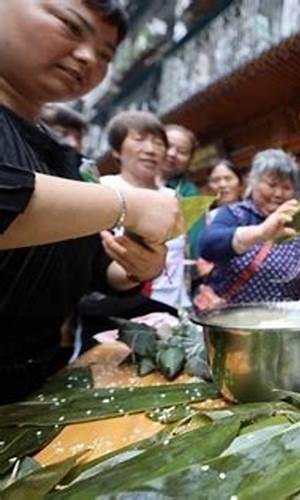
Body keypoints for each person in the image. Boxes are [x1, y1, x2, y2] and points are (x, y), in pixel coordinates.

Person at [0, 0, 179, 402]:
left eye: (104, 54)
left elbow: (93, 264)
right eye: (69, 25)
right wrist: (125, 203)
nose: (87, 58)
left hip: (32, 395)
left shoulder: (67, 161)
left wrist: (133, 267)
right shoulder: (107, 190)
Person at [199, 149, 300, 304]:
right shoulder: (236, 214)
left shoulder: (299, 221)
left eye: (287, 187)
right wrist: (261, 232)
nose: (278, 193)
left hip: (284, 320)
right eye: (272, 184)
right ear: (253, 182)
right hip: (235, 319)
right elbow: (207, 246)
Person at [99, 111, 191, 310]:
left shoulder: (173, 197)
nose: (150, 149)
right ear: (116, 149)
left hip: (170, 306)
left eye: (158, 143)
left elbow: (180, 253)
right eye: (139, 139)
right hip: (116, 307)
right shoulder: (103, 189)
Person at [160, 124, 203, 260]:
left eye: (182, 152)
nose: (172, 154)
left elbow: (195, 244)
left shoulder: (189, 193)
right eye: (168, 146)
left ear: (189, 161)